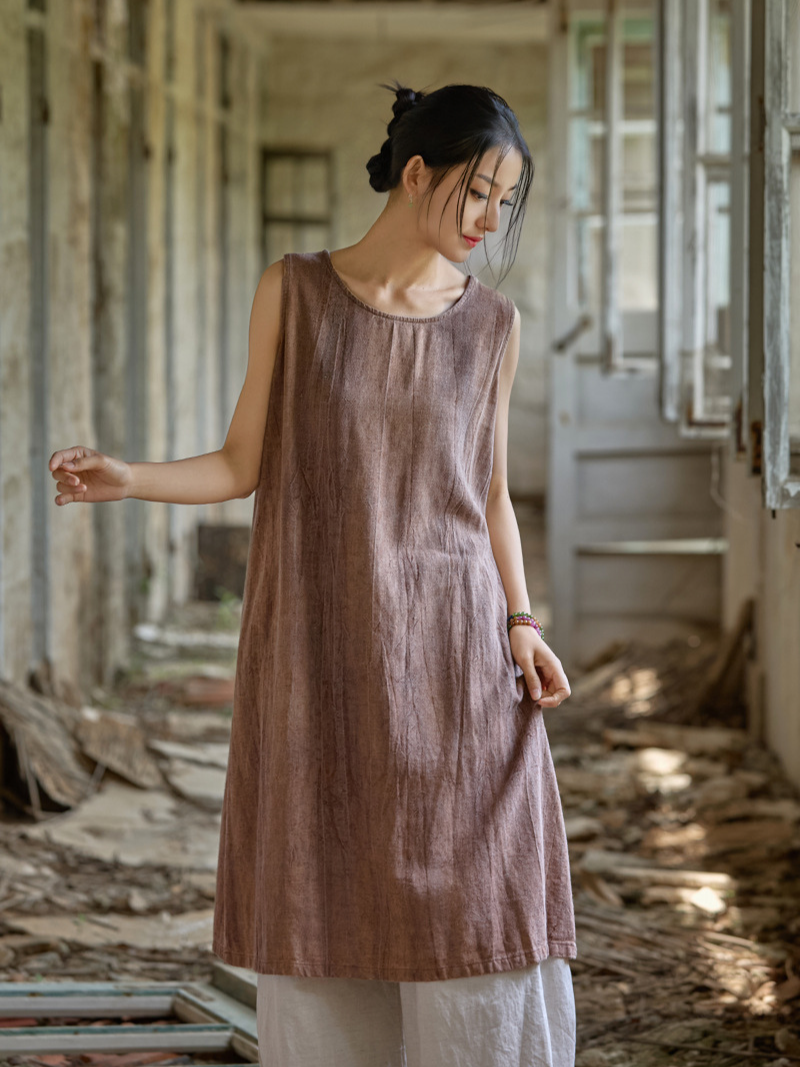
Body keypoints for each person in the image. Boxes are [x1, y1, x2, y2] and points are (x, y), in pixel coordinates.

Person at [49, 80, 577, 1067]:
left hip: (459, 657)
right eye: (477, 191)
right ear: (415, 173)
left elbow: (491, 490)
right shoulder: (292, 291)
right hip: (319, 655)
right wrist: (129, 477)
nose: (488, 219)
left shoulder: (492, 327)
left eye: (504, 202)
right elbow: (239, 463)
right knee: (323, 888)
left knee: (477, 901)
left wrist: (521, 621)